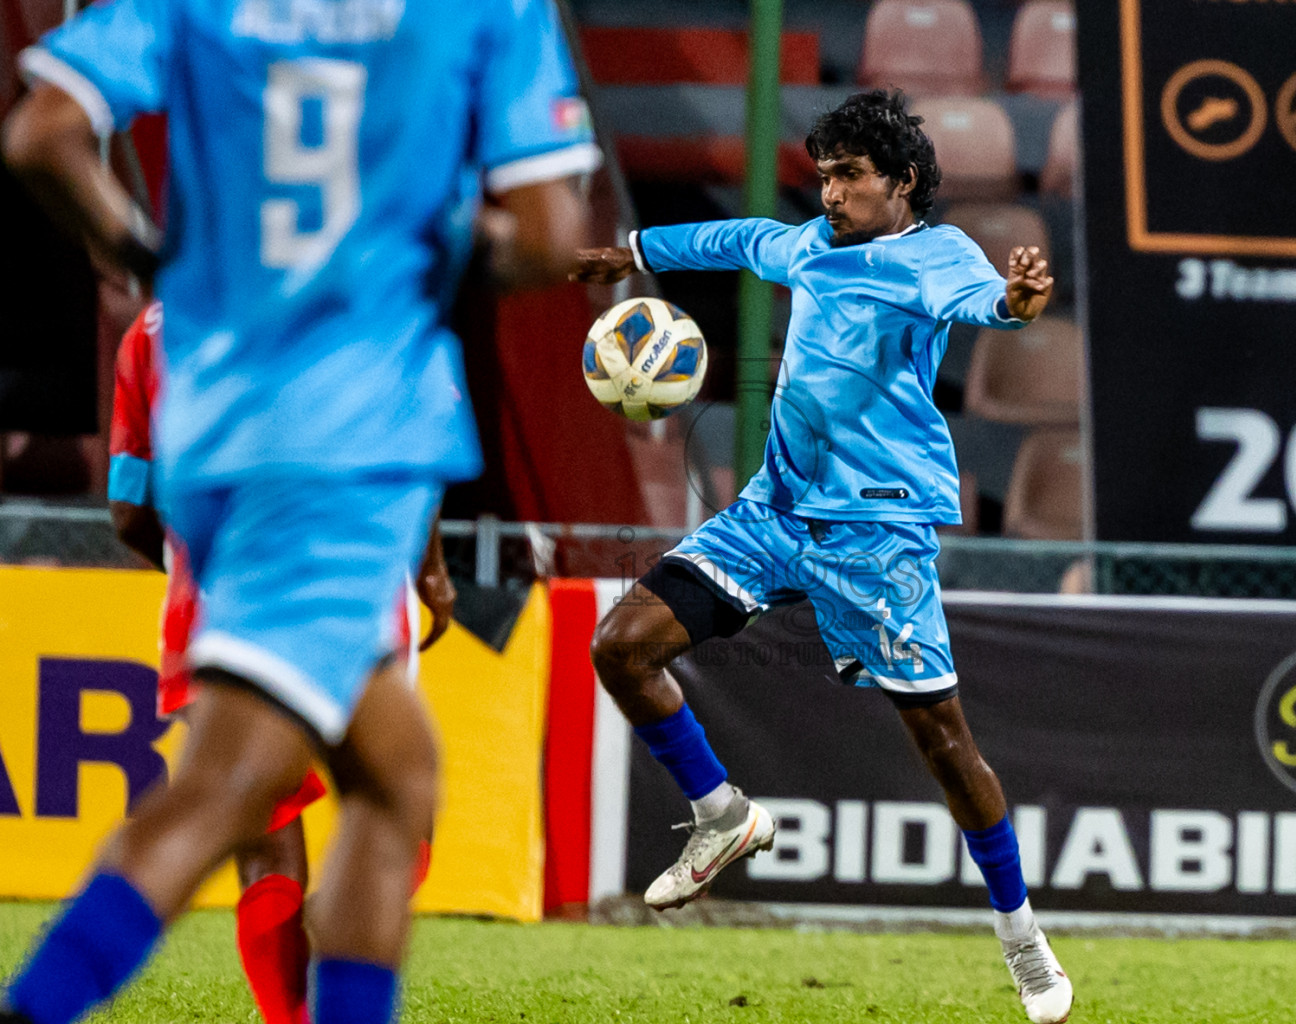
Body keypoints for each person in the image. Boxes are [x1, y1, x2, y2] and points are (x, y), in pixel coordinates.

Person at [0, 0, 596, 1020]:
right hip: (347, 431)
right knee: (226, 790)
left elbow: (43, 132)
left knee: (397, 780)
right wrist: (418, 253)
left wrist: (151, 258)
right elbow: (549, 235)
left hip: (220, 417)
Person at [575, 89, 1072, 1024]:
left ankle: (1023, 938)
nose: (832, 193)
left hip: (878, 535)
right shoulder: (806, 246)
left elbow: (982, 303)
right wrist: (632, 253)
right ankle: (724, 817)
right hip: (776, 511)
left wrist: (1017, 302)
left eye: (851, 176)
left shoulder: (934, 257)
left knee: (942, 741)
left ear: (904, 181)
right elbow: (731, 242)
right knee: (620, 646)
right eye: (827, 175)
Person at [108, 299, 450, 1024]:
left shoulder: (151, 330)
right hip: (348, 594)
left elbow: (128, 507)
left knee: (260, 845)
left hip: (213, 610)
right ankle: (343, 910)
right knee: (398, 814)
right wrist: (432, 568)